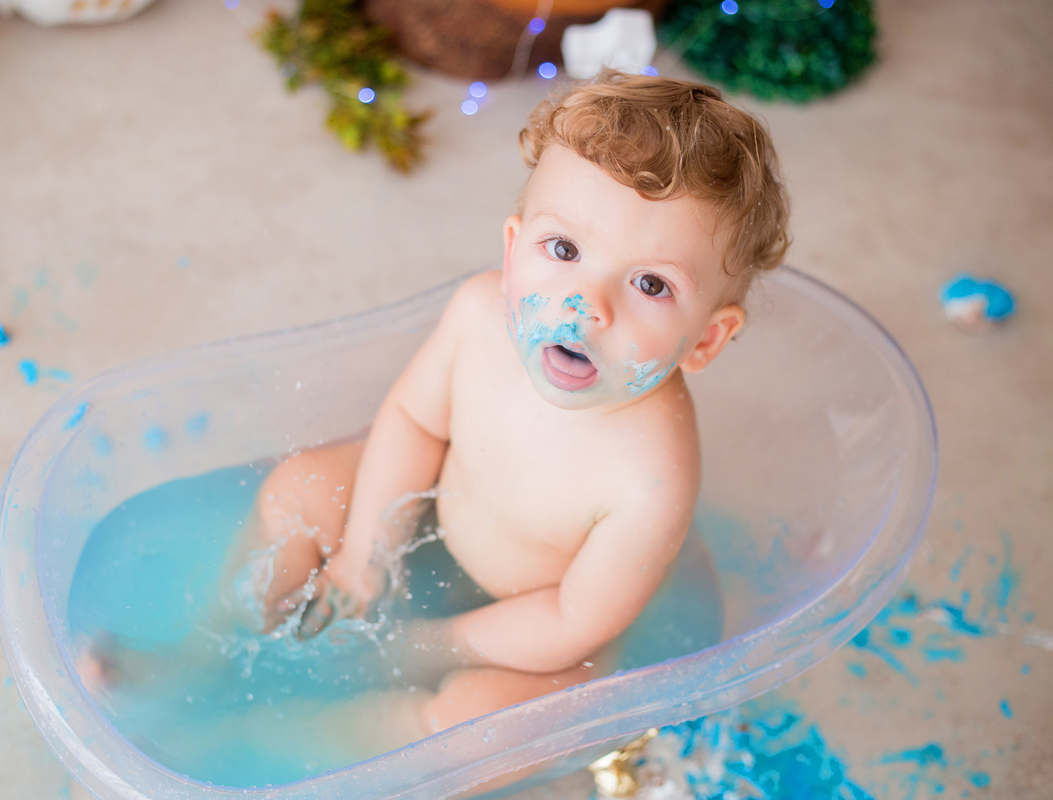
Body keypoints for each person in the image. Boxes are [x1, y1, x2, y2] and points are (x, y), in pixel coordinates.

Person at [251, 70, 791, 747]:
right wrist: (365, 553)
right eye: (563, 250)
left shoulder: (653, 472)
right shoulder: (481, 317)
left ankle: (294, 740)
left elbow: (573, 620)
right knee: (295, 488)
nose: (585, 304)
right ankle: (223, 648)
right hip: (432, 516)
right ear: (513, 251)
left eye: (651, 283)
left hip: (529, 628)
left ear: (706, 339)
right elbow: (417, 423)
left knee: (482, 724)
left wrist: (431, 646)